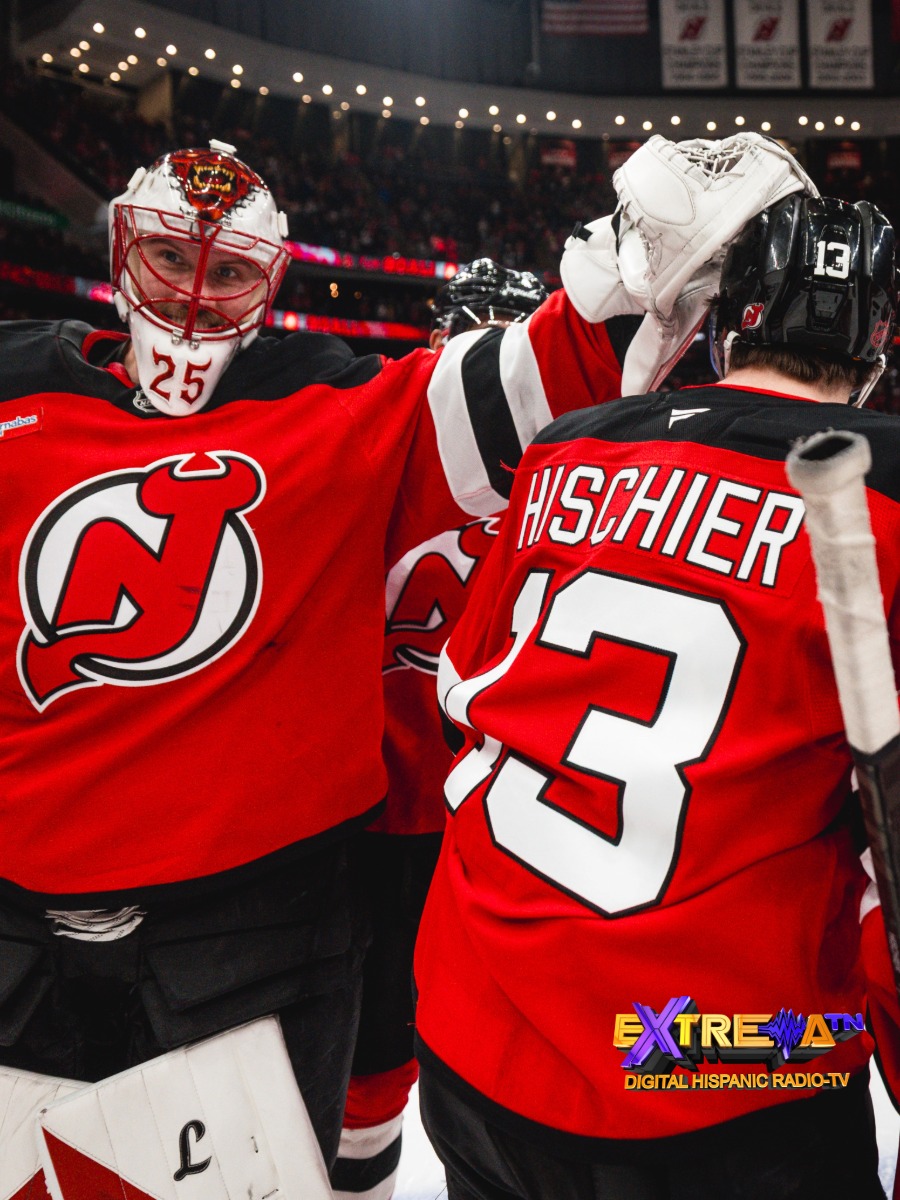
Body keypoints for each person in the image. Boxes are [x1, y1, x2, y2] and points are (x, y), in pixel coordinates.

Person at [0, 136, 686, 1178]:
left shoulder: (346, 409)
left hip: (247, 931)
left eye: (227, 270)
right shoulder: (14, 388)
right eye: (173, 259)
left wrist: (635, 261)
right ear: (123, 250)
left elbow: (549, 369)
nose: (194, 296)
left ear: (268, 285)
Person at [413, 192, 900, 1199]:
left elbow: (463, 685)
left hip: (475, 1011)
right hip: (705, 1059)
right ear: (880, 344)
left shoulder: (566, 447)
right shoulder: (882, 493)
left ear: (726, 323)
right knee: (818, 1050)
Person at [334, 259, 558, 1200]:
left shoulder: (571, 484)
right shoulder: (367, 440)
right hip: (382, 802)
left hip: (457, 815)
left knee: (401, 1052)